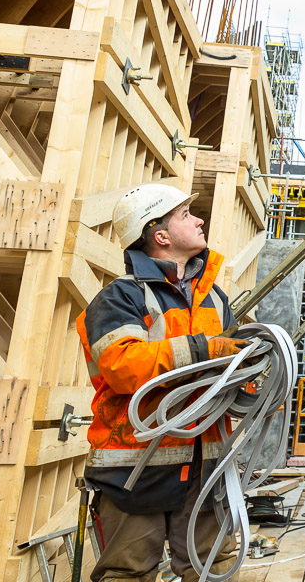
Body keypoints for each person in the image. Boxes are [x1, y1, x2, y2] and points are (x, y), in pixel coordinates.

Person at [75, 183, 246, 581]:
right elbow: (121, 366)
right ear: (161, 235)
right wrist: (203, 350)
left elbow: (235, 359)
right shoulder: (119, 299)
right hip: (135, 471)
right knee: (127, 573)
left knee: (215, 571)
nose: (199, 219)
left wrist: (256, 381)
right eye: (186, 215)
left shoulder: (215, 300)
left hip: (206, 470)